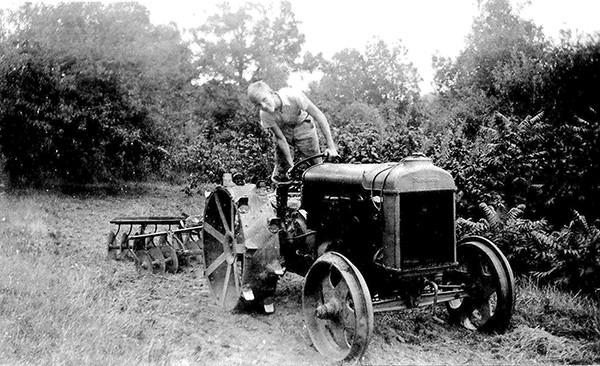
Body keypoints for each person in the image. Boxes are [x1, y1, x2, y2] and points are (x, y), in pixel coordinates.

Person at [247, 81, 339, 183]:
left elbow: (318, 115)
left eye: (264, 99)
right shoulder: (265, 114)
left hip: (303, 125)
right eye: (258, 104)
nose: (263, 106)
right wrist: (291, 166)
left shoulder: (293, 96)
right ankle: (282, 193)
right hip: (284, 130)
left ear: (271, 93)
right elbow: (280, 138)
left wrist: (331, 147)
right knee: (283, 170)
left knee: (315, 164)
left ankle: (319, 190)